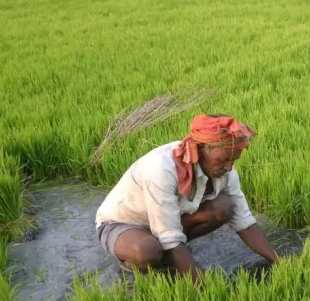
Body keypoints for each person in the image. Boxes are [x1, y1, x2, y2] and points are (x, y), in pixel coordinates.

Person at [95, 114, 279, 285]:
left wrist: (279, 262)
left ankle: (171, 256)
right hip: (125, 224)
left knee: (223, 207)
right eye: (223, 160)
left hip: (167, 220)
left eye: (234, 160)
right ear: (200, 149)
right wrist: (205, 288)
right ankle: (137, 264)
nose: (229, 167)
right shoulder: (162, 168)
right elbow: (169, 235)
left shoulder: (226, 170)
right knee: (147, 252)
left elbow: (244, 220)